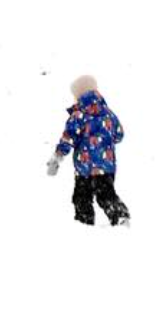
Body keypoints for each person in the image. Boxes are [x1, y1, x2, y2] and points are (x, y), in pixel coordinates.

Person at [46, 75, 129, 228]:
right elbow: (119, 135)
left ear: (79, 95)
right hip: (106, 167)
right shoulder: (108, 114)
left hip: (84, 170)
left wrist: (57, 157)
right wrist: (106, 140)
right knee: (106, 195)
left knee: (81, 198)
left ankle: (84, 228)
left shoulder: (79, 115)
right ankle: (120, 217)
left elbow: (68, 139)